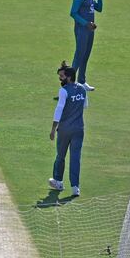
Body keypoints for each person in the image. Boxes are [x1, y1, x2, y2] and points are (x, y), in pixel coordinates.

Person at [48, 66, 88, 197]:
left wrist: (53, 128)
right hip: (79, 129)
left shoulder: (63, 91)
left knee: (60, 156)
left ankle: (58, 181)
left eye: (62, 76)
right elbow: (84, 106)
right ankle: (75, 187)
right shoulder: (82, 89)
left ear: (69, 77)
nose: (60, 78)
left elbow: (59, 110)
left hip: (65, 129)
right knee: (75, 158)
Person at [69, 0, 103, 91]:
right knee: (79, 55)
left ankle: (82, 81)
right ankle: (70, 83)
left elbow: (99, 8)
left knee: (86, 55)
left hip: (89, 30)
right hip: (82, 30)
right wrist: (86, 23)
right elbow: (73, 13)